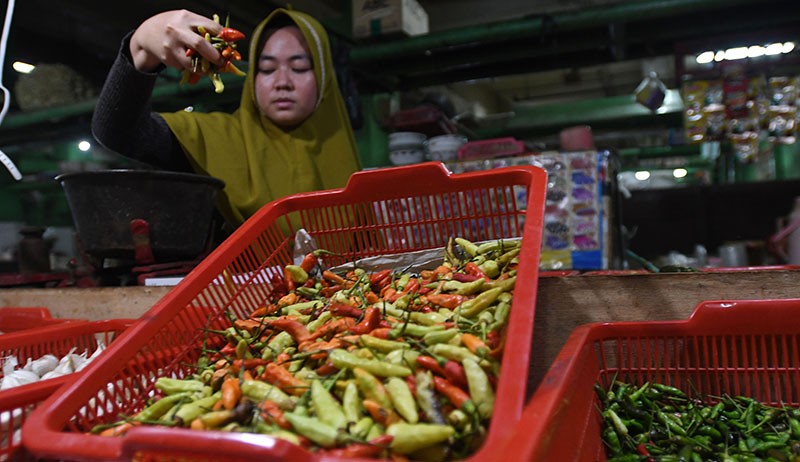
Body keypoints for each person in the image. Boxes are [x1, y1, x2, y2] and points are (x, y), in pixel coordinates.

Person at [91, 8, 362, 230]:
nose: (282, 82)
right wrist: (140, 48)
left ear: (325, 80)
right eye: (266, 69)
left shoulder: (345, 158)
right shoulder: (216, 140)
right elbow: (118, 131)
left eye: (299, 67)